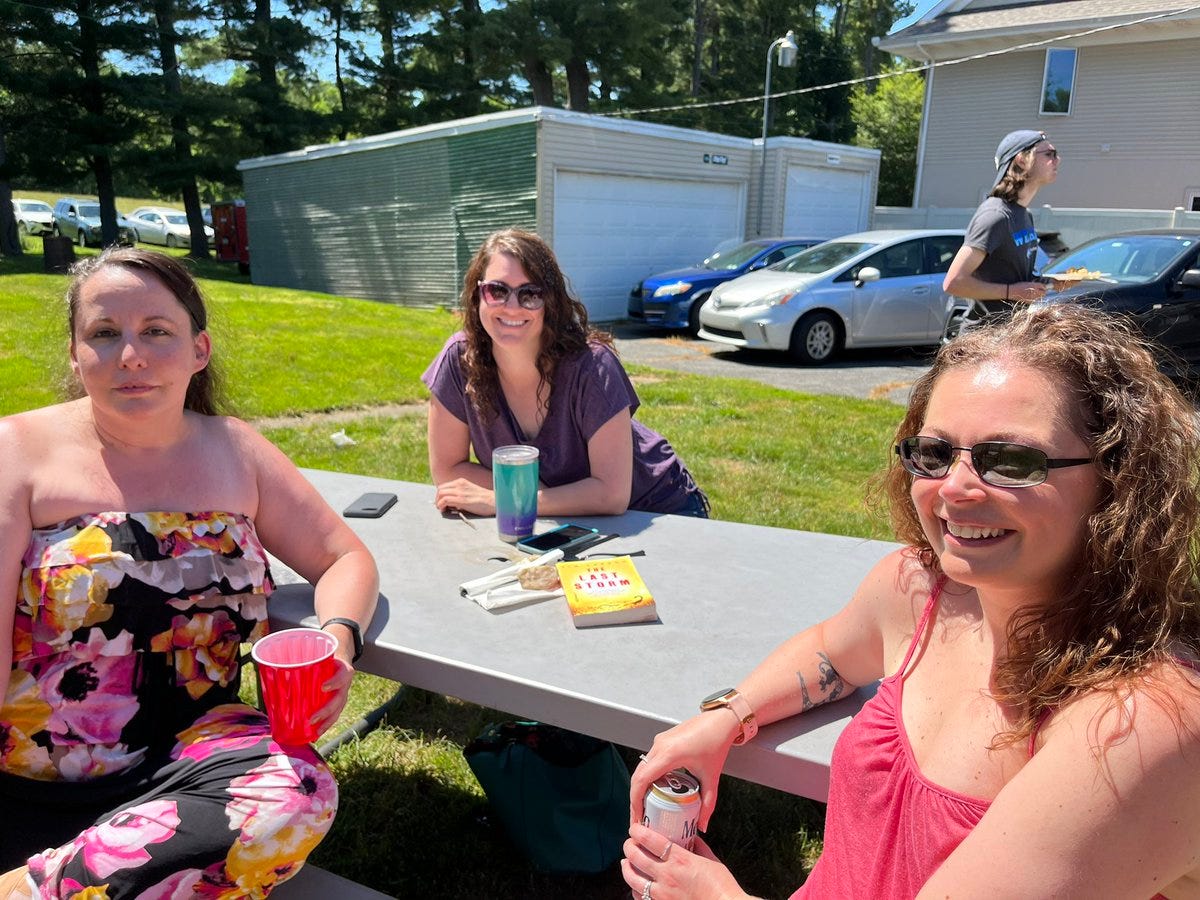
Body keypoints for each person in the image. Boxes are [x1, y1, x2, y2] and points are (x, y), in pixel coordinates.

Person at [623, 303, 1200, 899]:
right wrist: (727, 717)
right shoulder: (923, 590)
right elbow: (832, 652)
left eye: (1010, 461)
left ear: (1118, 480)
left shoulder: (1141, 724)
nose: (955, 487)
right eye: (936, 453)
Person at [0, 248, 380, 897]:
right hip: (35, 781)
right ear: (75, 354)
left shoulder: (237, 451)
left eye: (156, 330)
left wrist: (338, 641)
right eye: (104, 333)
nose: (131, 355)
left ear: (198, 349)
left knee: (300, 790)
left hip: (200, 763)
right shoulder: (16, 452)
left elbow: (344, 557)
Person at [422, 228, 709, 518]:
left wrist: (509, 501)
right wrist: (532, 495)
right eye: (497, 290)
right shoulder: (459, 360)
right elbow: (448, 469)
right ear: (477, 295)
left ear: (551, 302)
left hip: (655, 510)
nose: (512, 307)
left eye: (530, 293)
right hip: (559, 520)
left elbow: (611, 495)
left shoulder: (593, 366)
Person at [942, 129, 1062, 336]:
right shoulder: (996, 215)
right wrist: (1012, 292)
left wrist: (1053, 283)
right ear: (1022, 160)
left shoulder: (1024, 215)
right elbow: (954, 282)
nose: (1057, 160)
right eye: (1049, 154)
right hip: (983, 339)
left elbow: (1017, 278)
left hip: (1009, 336)